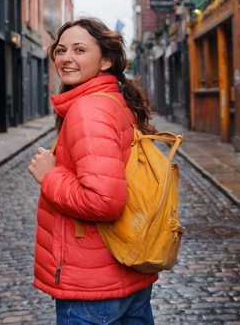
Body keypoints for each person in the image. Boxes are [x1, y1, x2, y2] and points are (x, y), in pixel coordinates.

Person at [27, 17, 157, 324]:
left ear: (105, 61)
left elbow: (104, 200)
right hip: (125, 274)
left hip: (93, 288)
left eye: (79, 49)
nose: (66, 58)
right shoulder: (114, 101)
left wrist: (50, 176)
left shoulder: (89, 110)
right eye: (61, 50)